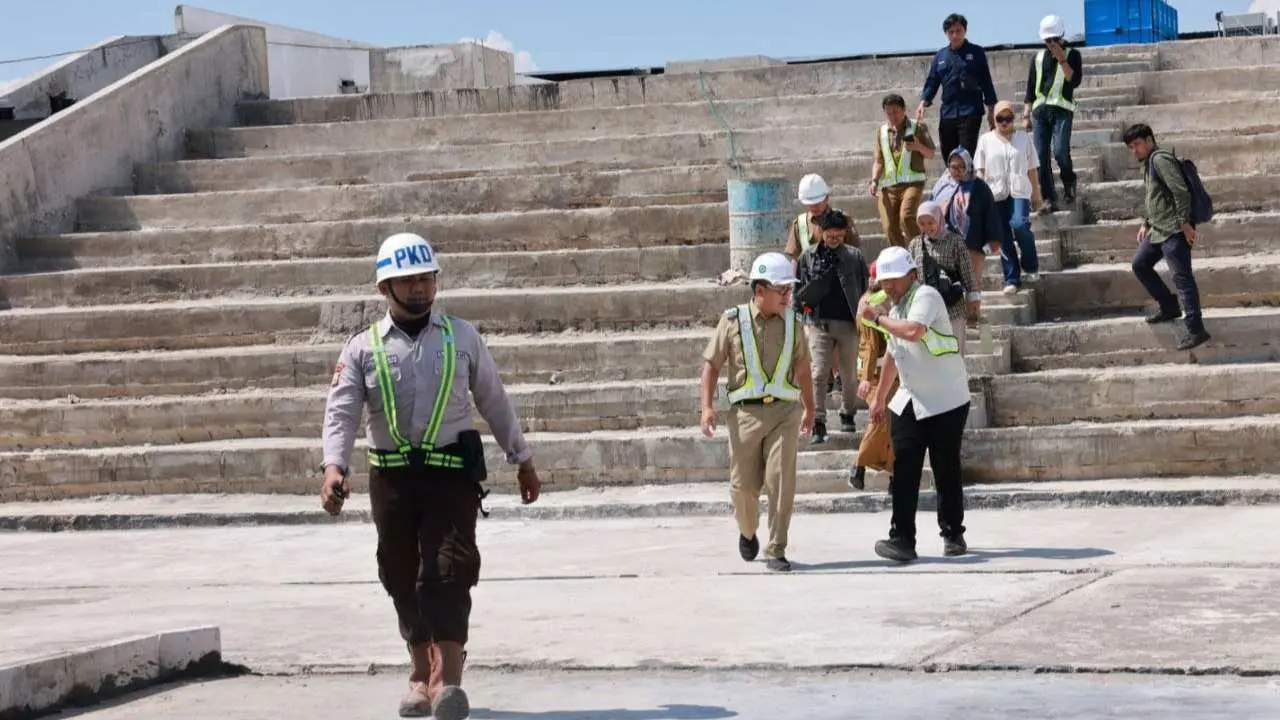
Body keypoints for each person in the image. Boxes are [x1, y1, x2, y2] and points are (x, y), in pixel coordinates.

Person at [320, 232, 542, 719]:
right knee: (401, 575)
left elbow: (494, 399)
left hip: (450, 477)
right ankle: (419, 673)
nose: (420, 289)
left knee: (448, 571)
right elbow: (341, 414)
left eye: (427, 279)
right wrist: (334, 467)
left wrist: (521, 458)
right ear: (385, 289)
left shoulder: (461, 338)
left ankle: (448, 683)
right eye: (408, 281)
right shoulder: (362, 349)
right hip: (392, 481)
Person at [701, 252, 817, 572]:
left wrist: (810, 408)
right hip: (744, 417)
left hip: (785, 413)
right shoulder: (732, 320)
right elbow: (711, 365)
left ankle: (776, 548)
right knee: (743, 488)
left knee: (781, 479)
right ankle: (748, 531)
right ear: (760, 290)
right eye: (782, 290)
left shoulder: (794, 322)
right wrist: (706, 407)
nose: (787, 296)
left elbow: (804, 370)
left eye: (789, 290)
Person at [860, 246, 972, 563]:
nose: (889, 288)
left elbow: (913, 332)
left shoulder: (926, 297)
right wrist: (880, 398)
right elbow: (894, 356)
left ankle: (953, 534)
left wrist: (878, 316)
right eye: (884, 283)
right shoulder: (894, 309)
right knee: (904, 469)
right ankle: (902, 540)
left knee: (945, 468)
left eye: (894, 281)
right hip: (911, 398)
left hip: (946, 399)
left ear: (911, 276)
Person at [1122, 123, 1212, 351]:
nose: (1135, 150)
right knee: (1140, 264)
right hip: (1158, 230)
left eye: (1138, 144)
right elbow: (1154, 196)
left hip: (1174, 230)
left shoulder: (1159, 159)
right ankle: (1169, 306)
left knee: (1182, 279)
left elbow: (1179, 190)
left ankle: (1196, 329)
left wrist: (1184, 223)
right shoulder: (1148, 163)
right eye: (1131, 147)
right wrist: (1146, 222)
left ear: (1150, 140)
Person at [794, 209, 871, 444]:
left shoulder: (854, 256)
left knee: (849, 375)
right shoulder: (807, 257)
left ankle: (848, 413)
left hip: (848, 323)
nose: (834, 240)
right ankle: (818, 420)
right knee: (818, 373)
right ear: (821, 233)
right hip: (819, 323)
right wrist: (806, 319)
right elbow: (800, 295)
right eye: (830, 236)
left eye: (839, 236)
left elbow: (866, 287)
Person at [975, 100, 1042, 295]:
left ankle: (1030, 264)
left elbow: (1032, 167)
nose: (1004, 122)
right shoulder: (985, 140)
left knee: (1020, 225)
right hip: (994, 194)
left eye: (1008, 118)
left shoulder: (1023, 139)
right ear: (994, 119)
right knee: (1003, 237)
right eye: (1000, 118)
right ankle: (1011, 277)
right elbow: (980, 169)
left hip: (1019, 191)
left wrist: (1036, 193)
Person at [917, 13, 999, 161]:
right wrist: (923, 102)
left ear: (965, 31)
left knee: (965, 155)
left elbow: (986, 81)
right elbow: (932, 81)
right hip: (948, 113)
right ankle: (953, 184)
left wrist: (992, 108)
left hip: (970, 111)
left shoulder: (976, 52)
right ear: (946, 34)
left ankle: (967, 183)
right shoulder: (940, 56)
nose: (955, 35)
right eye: (951, 32)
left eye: (958, 31)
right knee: (948, 155)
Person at [1023, 14, 1083, 214]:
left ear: (1062, 37)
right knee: (1040, 156)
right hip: (1040, 112)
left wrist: (1062, 59)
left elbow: (1074, 81)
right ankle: (1049, 198)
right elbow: (1031, 87)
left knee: (1060, 152)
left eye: (1054, 40)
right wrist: (1026, 113)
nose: (1050, 44)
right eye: (1047, 40)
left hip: (1062, 111)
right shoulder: (1038, 58)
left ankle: (1069, 181)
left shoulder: (1073, 54)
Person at [907, 201, 982, 355]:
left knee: (954, 353)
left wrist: (973, 299)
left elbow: (967, 271)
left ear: (939, 219)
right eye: (922, 223)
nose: (927, 227)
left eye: (930, 222)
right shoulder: (914, 244)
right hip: (926, 310)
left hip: (952, 307)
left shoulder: (955, 241)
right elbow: (910, 277)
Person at [849, 264, 897, 492]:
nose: (872, 280)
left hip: (892, 371)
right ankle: (858, 466)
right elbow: (869, 344)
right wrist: (867, 378)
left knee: (891, 424)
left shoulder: (887, 299)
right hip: (876, 373)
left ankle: (893, 474)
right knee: (879, 420)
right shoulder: (871, 303)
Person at [869, 93, 937, 248]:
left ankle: (922, 250)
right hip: (889, 187)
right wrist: (874, 181)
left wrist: (918, 147)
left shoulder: (917, 126)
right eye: (889, 113)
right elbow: (879, 161)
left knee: (906, 216)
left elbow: (931, 153)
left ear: (904, 110)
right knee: (889, 228)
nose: (893, 116)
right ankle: (901, 257)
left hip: (912, 183)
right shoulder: (882, 132)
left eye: (896, 112)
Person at [930, 147, 1003, 289]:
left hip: (972, 246)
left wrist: (993, 240)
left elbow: (991, 215)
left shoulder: (979, 187)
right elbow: (931, 211)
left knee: (971, 289)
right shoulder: (941, 185)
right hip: (946, 245)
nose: (957, 171)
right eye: (954, 167)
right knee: (950, 290)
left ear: (969, 166)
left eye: (962, 167)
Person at [784, 173, 859, 262]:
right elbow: (795, 259)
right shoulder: (800, 224)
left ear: (826, 198)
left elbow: (854, 253)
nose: (814, 207)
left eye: (817, 203)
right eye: (810, 204)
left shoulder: (843, 219)